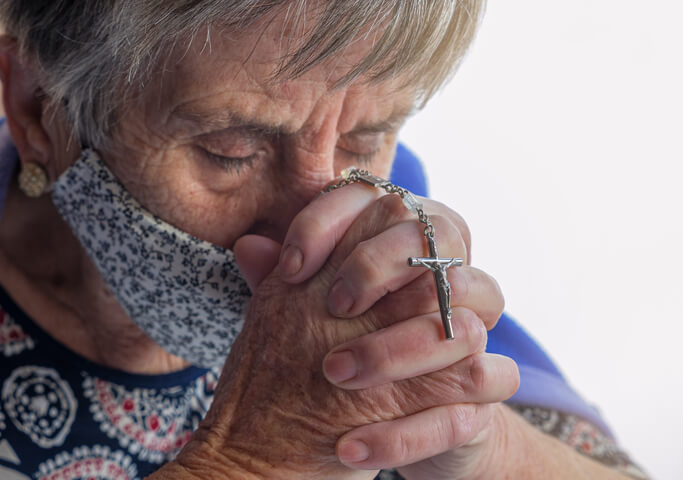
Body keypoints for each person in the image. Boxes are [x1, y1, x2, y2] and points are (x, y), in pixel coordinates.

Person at [0, 1, 648, 479]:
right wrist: (254, 463)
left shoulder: (387, 226)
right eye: (231, 152)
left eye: (365, 141)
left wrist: (484, 444)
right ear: (35, 107)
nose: (318, 216)